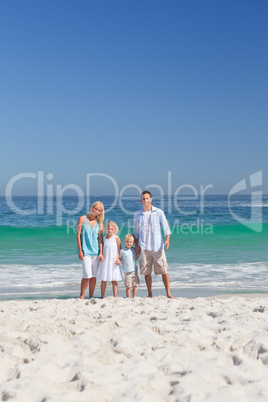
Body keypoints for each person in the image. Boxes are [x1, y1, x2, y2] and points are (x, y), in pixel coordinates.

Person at [133, 191, 173, 298]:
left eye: (147, 198)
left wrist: (167, 239)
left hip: (158, 247)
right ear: (141, 201)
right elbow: (136, 232)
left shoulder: (158, 212)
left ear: (151, 199)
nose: (145, 201)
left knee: (164, 271)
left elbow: (166, 227)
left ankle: (168, 293)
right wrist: (136, 246)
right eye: (143, 199)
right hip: (144, 247)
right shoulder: (137, 215)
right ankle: (150, 293)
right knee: (147, 272)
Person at [77, 201, 104, 299]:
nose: (96, 211)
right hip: (85, 252)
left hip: (96, 253)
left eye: (99, 210)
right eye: (95, 209)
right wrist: (80, 250)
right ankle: (82, 296)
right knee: (87, 274)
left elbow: (100, 239)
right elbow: (78, 235)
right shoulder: (82, 219)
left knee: (94, 276)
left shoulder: (99, 223)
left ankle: (91, 296)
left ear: (101, 212)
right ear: (92, 208)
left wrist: (101, 252)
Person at [97, 221, 123, 298]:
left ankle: (115, 296)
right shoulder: (104, 238)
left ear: (114, 229)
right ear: (106, 229)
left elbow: (120, 249)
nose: (110, 230)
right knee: (104, 279)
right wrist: (101, 254)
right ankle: (102, 296)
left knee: (113, 279)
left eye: (111, 229)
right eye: (108, 229)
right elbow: (101, 246)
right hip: (105, 261)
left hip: (113, 261)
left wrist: (119, 259)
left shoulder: (116, 238)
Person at [119, 234, 140, 298]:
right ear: (125, 242)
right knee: (128, 286)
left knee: (135, 285)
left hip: (134, 270)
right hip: (127, 272)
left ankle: (134, 297)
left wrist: (139, 253)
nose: (129, 243)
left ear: (133, 243)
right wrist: (117, 261)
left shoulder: (134, 249)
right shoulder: (122, 251)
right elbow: (120, 258)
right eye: (127, 242)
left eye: (130, 242)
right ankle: (128, 297)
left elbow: (136, 258)